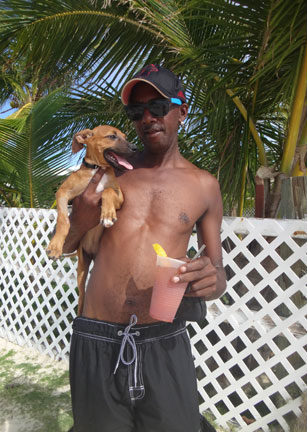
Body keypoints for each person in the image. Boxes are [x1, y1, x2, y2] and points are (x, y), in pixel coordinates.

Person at [64, 64, 226, 432]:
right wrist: (80, 221)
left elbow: (218, 275)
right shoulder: (109, 173)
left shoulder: (204, 186)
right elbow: (69, 244)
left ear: (181, 111)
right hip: (97, 338)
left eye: (157, 106)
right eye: (136, 112)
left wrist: (208, 281)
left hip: (164, 342)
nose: (147, 118)